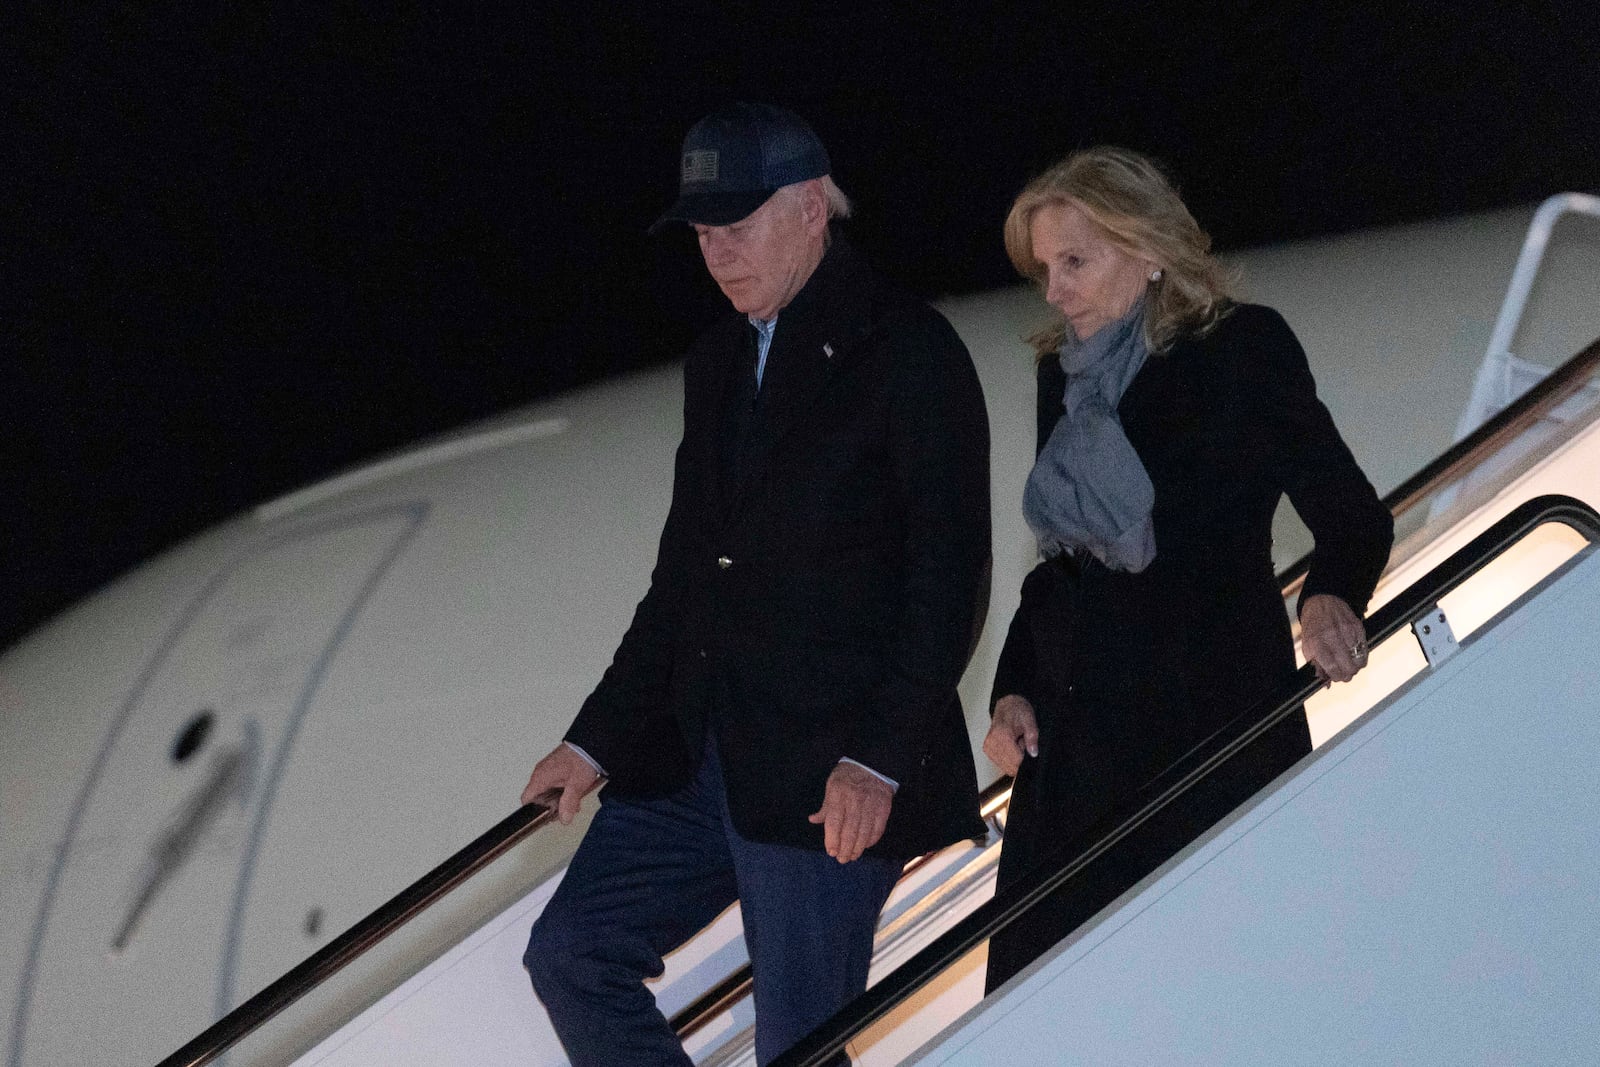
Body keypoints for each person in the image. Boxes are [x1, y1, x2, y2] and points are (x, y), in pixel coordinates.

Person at [519, 102, 991, 1066]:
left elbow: (951, 579)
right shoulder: (718, 362)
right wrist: (593, 738)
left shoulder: (907, 352)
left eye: (736, 226)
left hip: (827, 776)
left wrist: (879, 759)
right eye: (701, 233)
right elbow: (681, 580)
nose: (716, 253)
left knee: (800, 1048)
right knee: (569, 952)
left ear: (813, 207)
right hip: (701, 755)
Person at [981, 147, 1394, 991]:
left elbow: (1352, 516)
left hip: (1207, 739)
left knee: (1225, 1004)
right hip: (1071, 773)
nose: (1054, 291)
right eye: (1044, 269)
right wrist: (1012, 687)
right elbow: (1061, 567)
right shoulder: (1059, 380)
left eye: (1074, 262)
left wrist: (1326, 600)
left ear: (1149, 249)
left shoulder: (1241, 349)